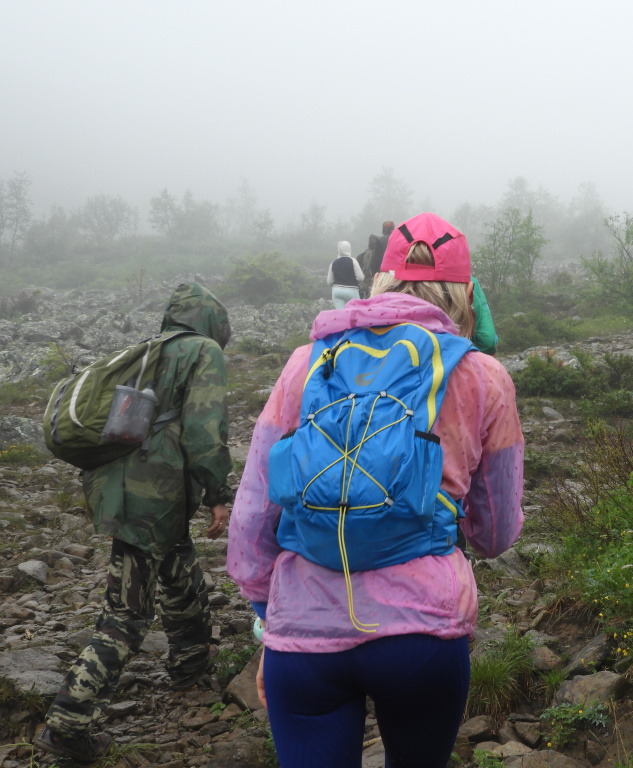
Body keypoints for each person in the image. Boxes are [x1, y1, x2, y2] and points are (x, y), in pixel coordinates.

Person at [227, 212, 524, 768]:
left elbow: (250, 522)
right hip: (423, 633)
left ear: (380, 277)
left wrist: (270, 618)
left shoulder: (304, 364)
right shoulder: (484, 376)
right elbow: (495, 532)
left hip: (303, 631)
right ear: (465, 290)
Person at [36, 283, 233, 763]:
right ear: (211, 320)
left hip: (124, 487)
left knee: (178, 563)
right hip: (153, 497)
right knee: (127, 615)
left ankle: (190, 662)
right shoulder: (202, 351)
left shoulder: (152, 350)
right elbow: (206, 431)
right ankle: (65, 727)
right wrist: (218, 494)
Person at [328, 240, 364, 309]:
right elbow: (360, 278)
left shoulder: (333, 263)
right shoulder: (353, 261)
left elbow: (329, 282)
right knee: (354, 314)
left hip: (336, 291)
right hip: (351, 291)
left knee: (341, 316)